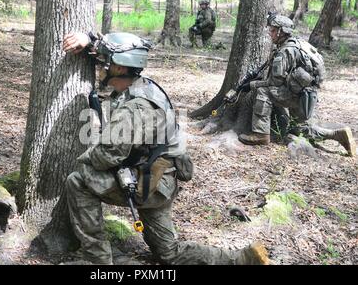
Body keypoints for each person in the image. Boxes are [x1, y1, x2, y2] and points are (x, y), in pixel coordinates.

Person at [62, 31, 271, 265]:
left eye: (104, 62)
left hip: (149, 183)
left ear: (119, 68)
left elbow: (106, 156)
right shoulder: (145, 86)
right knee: (169, 254)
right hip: (161, 179)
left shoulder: (134, 109)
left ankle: (96, 261)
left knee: (77, 181)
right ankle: (242, 259)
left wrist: (88, 151)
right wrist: (90, 40)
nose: (100, 66)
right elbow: (119, 48)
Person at [238, 14, 356, 157]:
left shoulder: (285, 51)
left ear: (282, 31)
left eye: (274, 30)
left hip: (296, 95)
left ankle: (261, 134)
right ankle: (337, 135)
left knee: (263, 91)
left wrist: (252, 84)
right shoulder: (298, 43)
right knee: (298, 130)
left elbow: (274, 83)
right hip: (306, 96)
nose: (271, 33)